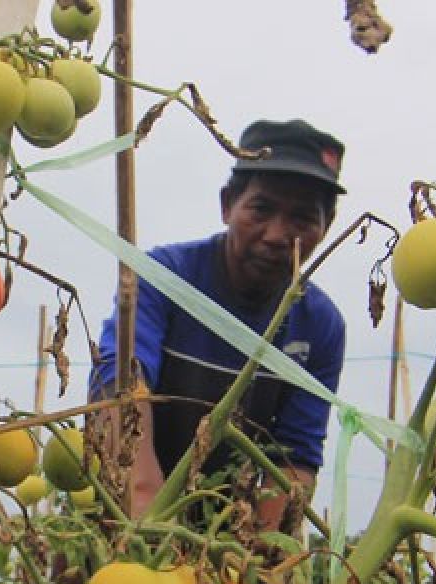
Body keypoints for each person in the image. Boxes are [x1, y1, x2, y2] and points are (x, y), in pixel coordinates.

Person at [92, 118, 348, 527]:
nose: (278, 236)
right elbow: (121, 384)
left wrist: (256, 558)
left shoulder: (320, 326)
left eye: (302, 219)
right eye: (261, 209)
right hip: (123, 505)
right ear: (228, 204)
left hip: (227, 528)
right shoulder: (165, 277)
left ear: (326, 228)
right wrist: (146, 511)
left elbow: (294, 457)